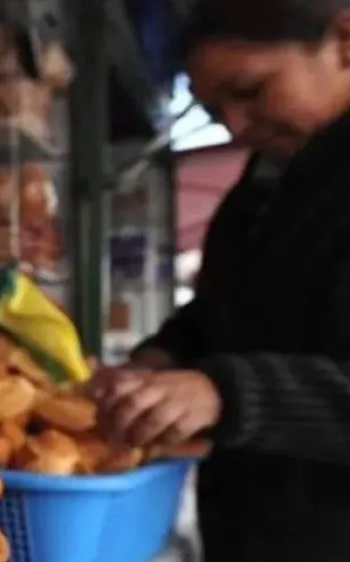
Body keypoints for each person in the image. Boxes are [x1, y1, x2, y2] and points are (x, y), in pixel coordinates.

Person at [87, 0, 350, 560]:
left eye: (251, 90)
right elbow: (217, 315)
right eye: (213, 109)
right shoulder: (255, 193)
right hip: (244, 531)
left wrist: (225, 392)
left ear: (345, 43)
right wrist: (160, 357)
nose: (233, 124)